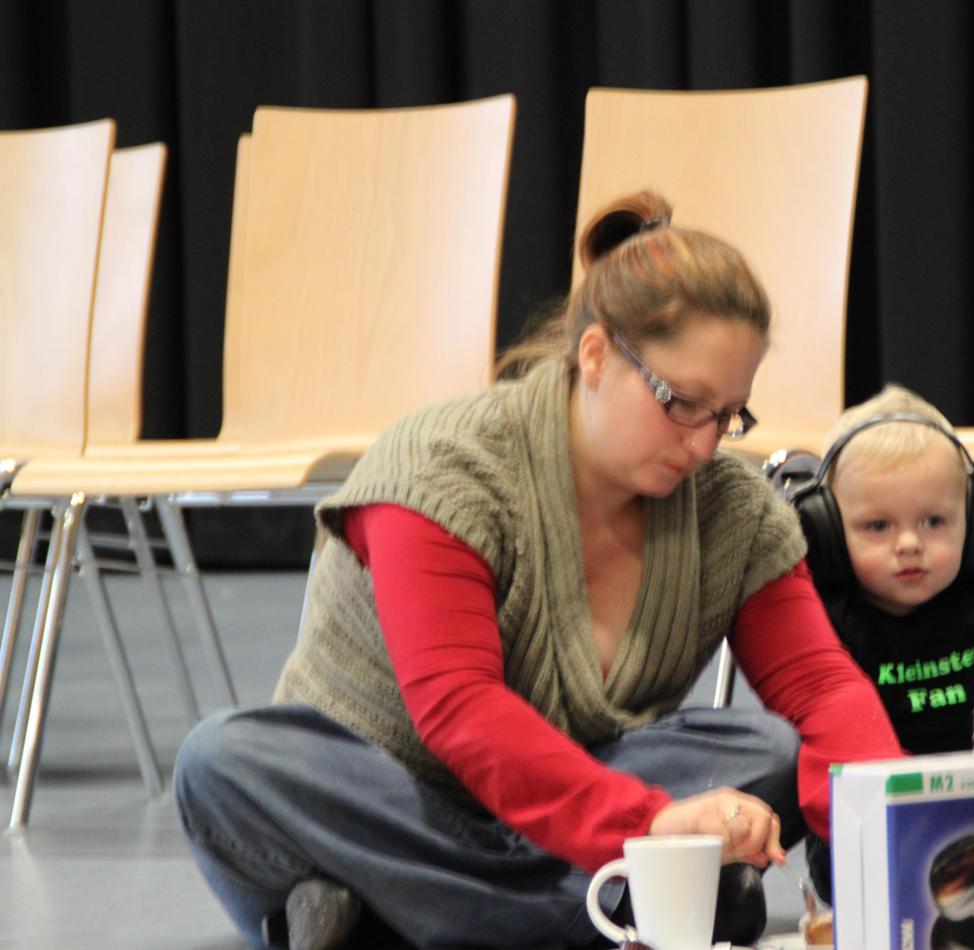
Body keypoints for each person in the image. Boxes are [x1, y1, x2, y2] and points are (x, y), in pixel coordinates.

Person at [173, 190, 904, 950]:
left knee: (767, 753)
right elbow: (460, 708)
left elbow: (821, 687)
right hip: (389, 798)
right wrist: (651, 826)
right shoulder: (443, 468)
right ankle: (614, 905)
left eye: (729, 415)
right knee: (223, 764)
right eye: (682, 403)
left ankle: (396, 916)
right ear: (595, 355)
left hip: (561, 804)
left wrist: (899, 837)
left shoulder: (734, 511)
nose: (703, 444)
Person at [797, 385, 974, 904]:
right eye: (878, 526)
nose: (909, 544)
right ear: (828, 533)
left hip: (972, 802)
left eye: (934, 521)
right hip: (871, 812)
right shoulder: (829, 622)